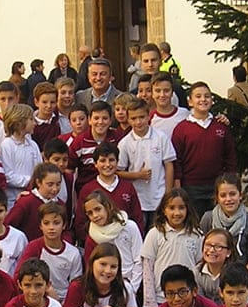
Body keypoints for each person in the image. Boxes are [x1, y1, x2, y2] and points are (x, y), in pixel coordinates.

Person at [172, 82, 238, 216]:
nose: (203, 99)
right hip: (191, 187)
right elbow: (176, 160)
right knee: (196, 225)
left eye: (207, 96)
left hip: (217, 185)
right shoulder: (182, 129)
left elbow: (230, 155)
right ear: (190, 101)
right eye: (198, 96)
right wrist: (177, 184)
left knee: (217, 224)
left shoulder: (220, 126)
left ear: (212, 101)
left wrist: (232, 180)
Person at [117, 96, 175, 232]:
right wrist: (137, 175)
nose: (138, 122)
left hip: (159, 197)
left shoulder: (161, 137)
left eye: (141, 117)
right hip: (137, 199)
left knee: (159, 233)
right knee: (140, 233)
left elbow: (169, 165)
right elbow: (118, 172)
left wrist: (168, 193)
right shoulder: (125, 143)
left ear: (149, 115)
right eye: (133, 118)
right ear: (128, 119)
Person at [141, 188, 203, 307]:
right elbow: (147, 268)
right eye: (172, 208)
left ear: (187, 209)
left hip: (188, 299)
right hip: (161, 299)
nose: (177, 213)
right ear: (164, 210)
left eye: (181, 208)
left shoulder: (197, 235)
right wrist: (150, 302)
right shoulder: (155, 234)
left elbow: (199, 268)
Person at [75, 142, 143, 240]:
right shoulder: (87, 189)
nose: (107, 165)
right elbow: (80, 223)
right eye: (102, 161)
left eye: (111, 160)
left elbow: (137, 219)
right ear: (95, 164)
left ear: (117, 162)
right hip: (98, 244)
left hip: (124, 241)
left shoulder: (127, 187)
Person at [15, 202, 81, 301]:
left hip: (64, 300)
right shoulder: (34, 247)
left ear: (64, 225)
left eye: (56, 223)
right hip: (38, 296)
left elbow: (76, 284)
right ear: (40, 226)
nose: (51, 228)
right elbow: (19, 275)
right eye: (46, 223)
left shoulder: (73, 253)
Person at [62, 243, 143, 307]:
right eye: (103, 264)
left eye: (113, 267)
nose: (108, 271)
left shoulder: (125, 287)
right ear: (92, 263)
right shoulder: (77, 287)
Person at [81, 190, 143, 295]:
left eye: (98, 209)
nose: (95, 215)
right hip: (105, 287)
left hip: (130, 282)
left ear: (108, 206)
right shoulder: (92, 236)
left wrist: (132, 288)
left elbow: (139, 259)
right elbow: (90, 267)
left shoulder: (129, 227)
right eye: (90, 213)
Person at [199, 173, 248, 277]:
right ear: (217, 198)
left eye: (232, 194)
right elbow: (200, 251)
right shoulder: (208, 219)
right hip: (210, 276)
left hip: (239, 278)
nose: (228, 199)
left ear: (240, 195)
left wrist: (239, 278)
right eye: (223, 195)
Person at [67, 100, 121, 196]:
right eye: (96, 118)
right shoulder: (79, 142)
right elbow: (69, 170)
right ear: (89, 120)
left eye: (104, 118)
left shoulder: (117, 139)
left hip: (113, 191)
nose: (100, 122)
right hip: (87, 193)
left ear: (110, 120)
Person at [5, 162, 65, 242]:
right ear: (39, 182)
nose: (55, 189)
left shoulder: (60, 204)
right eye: (50, 185)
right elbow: (9, 226)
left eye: (58, 184)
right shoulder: (26, 202)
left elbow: (66, 229)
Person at [0, 103, 42, 208]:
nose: (34, 123)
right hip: (14, 200)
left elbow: (40, 169)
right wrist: (31, 181)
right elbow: (8, 176)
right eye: (31, 120)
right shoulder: (7, 145)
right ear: (19, 123)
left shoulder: (33, 145)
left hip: (33, 196)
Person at [194, 229, 235, 303]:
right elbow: (199, 302)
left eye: (218, 246)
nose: (212, 250)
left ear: (228, 252)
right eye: (208, 245)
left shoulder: (235, 273)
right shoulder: (196, 272)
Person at [149, 72, 188, 139]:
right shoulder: (149, 118)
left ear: (172, 93)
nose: (162, 95)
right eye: (158, 91)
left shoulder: (185, 114)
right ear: (152, 94)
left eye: (166, 90)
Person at [31, 81, 62, 148]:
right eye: (44, 102)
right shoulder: (31, 124)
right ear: (36, 102)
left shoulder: (58, 118)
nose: (49, 106)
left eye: (52, 102)